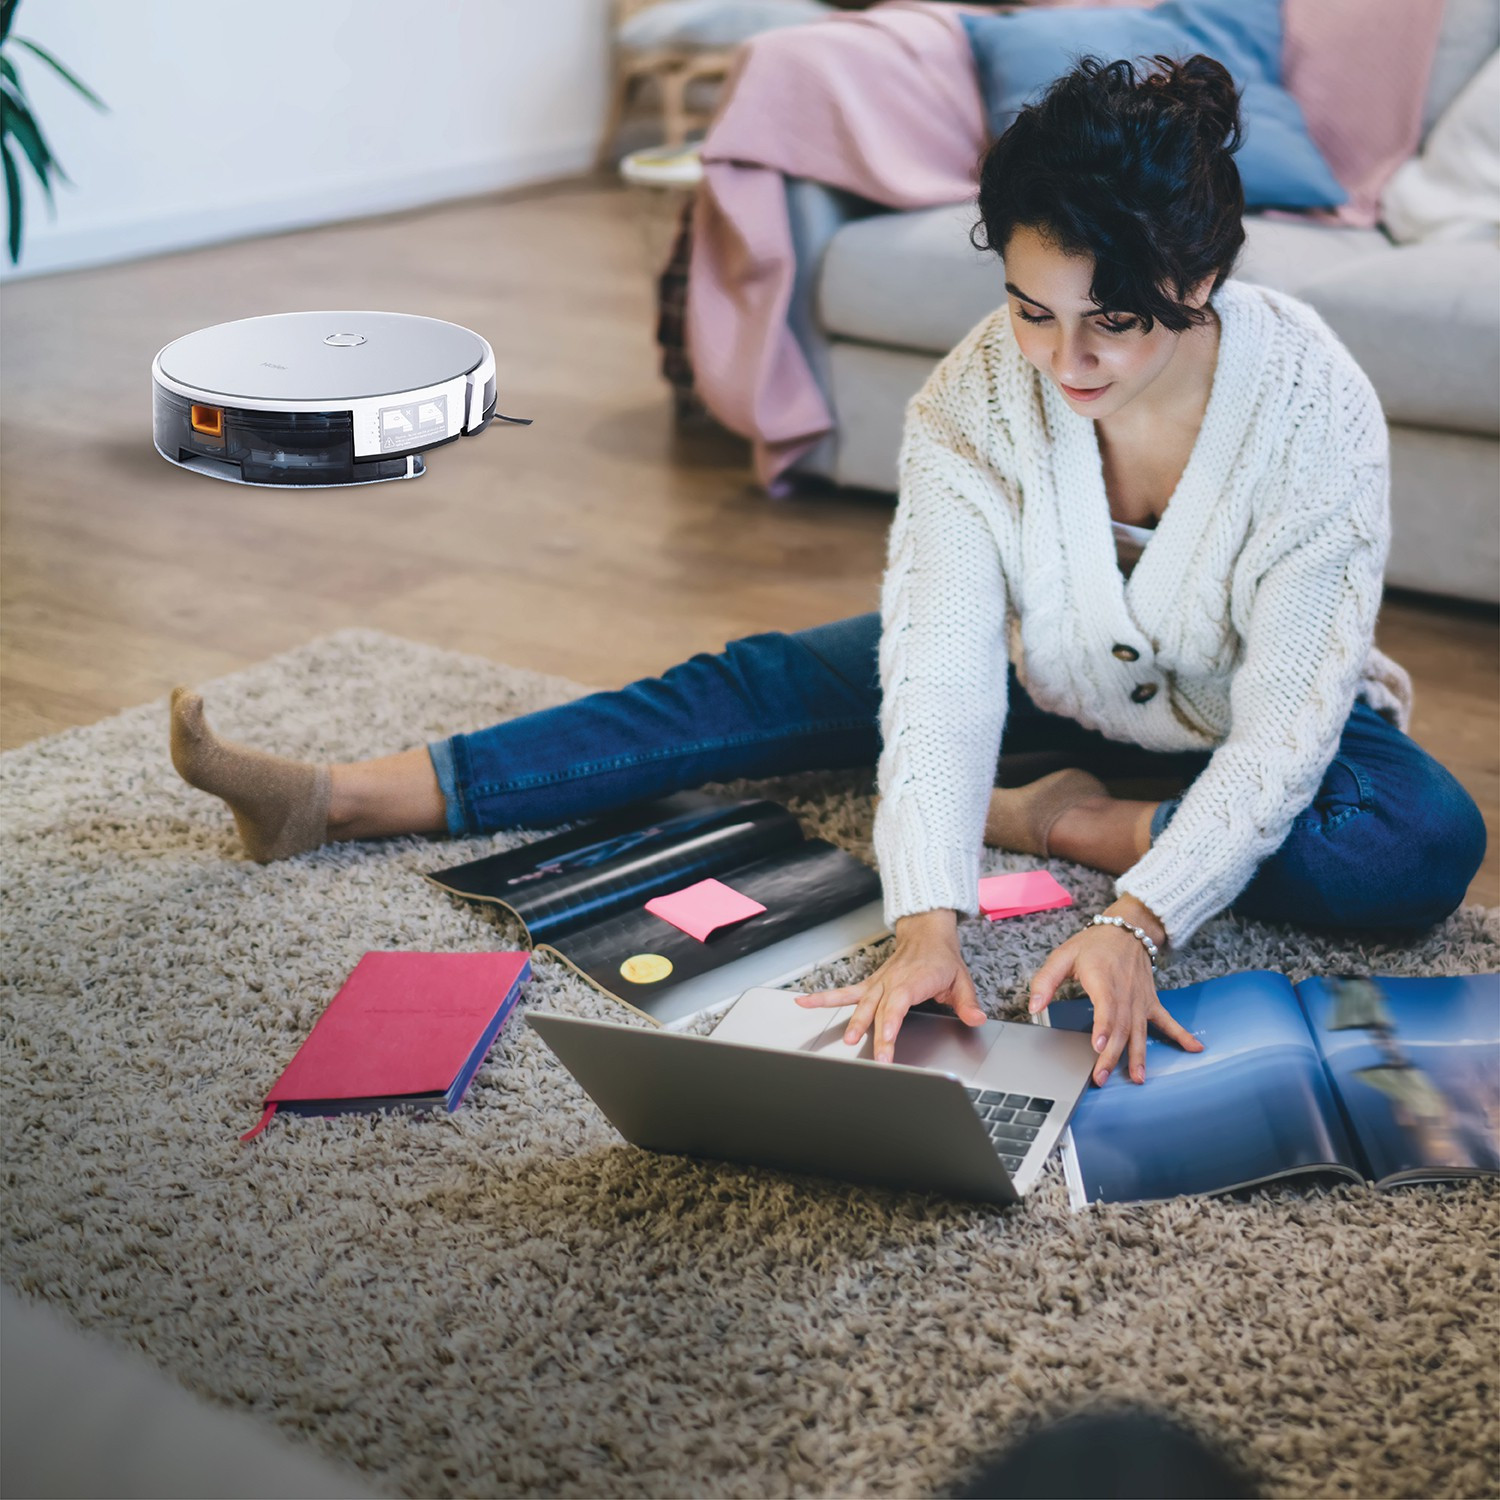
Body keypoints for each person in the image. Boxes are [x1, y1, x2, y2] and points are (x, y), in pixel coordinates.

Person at [169, 54, 1486, 1093]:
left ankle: (1059, 818)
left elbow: (1285, 732)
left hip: (1239, 717)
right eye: (1034, 310)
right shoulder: (980, 390)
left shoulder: (1312, 406)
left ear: (1200, 280)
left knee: (1417, 845)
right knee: (746, 687)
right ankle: (343, 799)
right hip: (1050, 676)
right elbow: (941, 676)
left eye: (1114, 322)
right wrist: (926, 923)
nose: (1063, 362)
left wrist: (1135, 914)